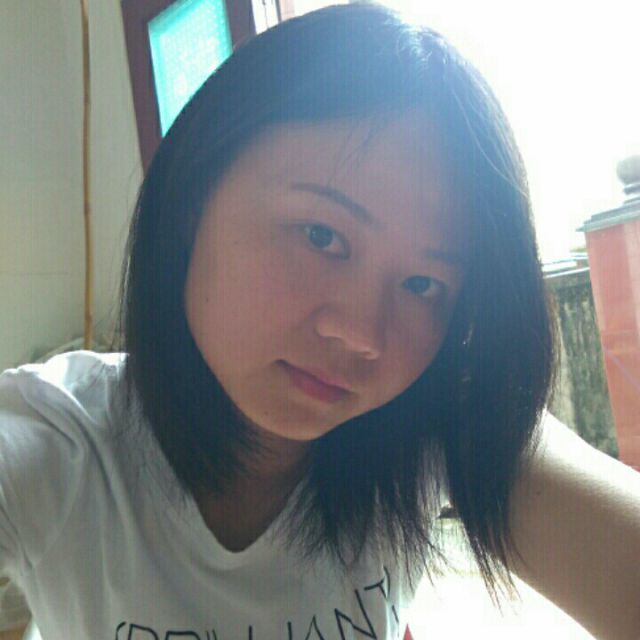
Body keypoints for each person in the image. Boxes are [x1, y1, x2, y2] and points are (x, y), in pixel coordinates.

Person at [1, 3, 639, 639]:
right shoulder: (61, 445)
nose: (362, 334)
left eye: (423, 285)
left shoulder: (435, 422)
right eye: (321, 235)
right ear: (193, 198)